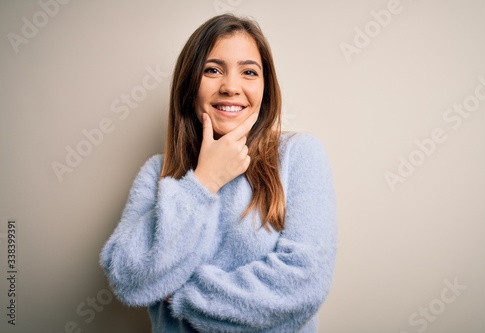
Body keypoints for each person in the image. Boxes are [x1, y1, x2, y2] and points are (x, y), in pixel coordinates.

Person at [100, 13, 338, 333]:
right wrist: (203, 182)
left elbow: (301, 286)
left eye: (249, 72)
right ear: (190, 85)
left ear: (265, 87)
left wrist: (178, 295)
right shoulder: (157, 172)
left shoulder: (300, 156)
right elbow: (128, 280)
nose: (230, 87)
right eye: (213, 70)